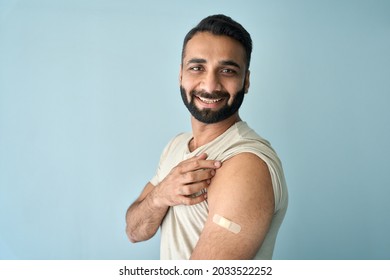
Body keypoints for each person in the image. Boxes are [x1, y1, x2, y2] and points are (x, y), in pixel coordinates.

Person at [125, 14, 288, 260]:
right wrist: (160, 196)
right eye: (197, 68)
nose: (210, 86)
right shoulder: (177, 146)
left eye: (227, 70)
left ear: (246, 81)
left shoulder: (246, 165)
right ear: (181, 74)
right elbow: (134, 231)